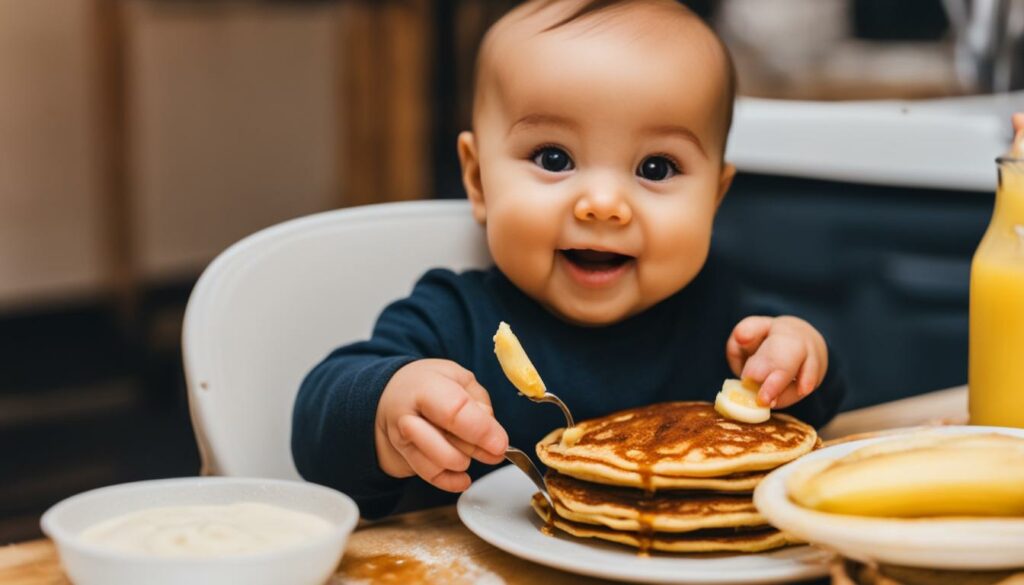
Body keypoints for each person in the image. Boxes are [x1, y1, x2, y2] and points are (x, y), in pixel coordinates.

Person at [292, 0, 847, 518]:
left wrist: (798, 358)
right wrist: (390, 407)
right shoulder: (452, 319)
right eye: (553, 158)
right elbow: (317, 429)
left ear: (715, 200)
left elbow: (819, 407)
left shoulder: (723, 319)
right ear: (479, 179)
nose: (603, 205)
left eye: (656, 168)